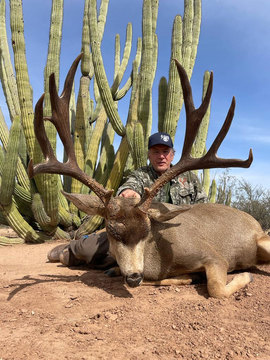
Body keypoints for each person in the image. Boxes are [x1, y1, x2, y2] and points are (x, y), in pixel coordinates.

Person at [48, 132, 208, 268]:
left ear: (172, 154)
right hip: (139, 232)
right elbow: (128, 188)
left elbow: (203, 209)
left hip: (181, 233)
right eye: (156, 151)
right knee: (92, 251)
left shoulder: (189, 178)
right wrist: (128, 193)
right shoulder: (140, 175)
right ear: (148, 155)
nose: (161, 156)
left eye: (165, 151)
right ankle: (75, 248)